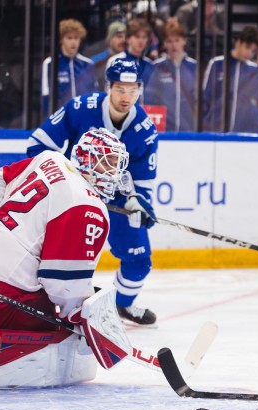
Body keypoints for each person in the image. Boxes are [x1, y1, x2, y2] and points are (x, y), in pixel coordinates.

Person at [0, 129, 127, 393]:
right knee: (61, 331)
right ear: (88, 159)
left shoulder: (49, 159)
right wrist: (79, 317)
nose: (113, 173)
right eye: (108, 163)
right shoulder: (89, 207)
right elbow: (62, 282)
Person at [26, 58, 159, 326]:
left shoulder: (144, 130)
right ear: (108, 86)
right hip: (73, 194)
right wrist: (64, 181)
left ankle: (121, 305)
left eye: (132, 90)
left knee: (139, 259)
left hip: (117, 199)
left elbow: (143, 179)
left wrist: (138, 202)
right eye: (120, 89)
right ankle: (40, 304)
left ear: (140, 90)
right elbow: (38, 145)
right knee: (55, 255)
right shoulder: (80, 108)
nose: (126, 97)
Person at [202, 25, 258, 133]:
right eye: (247, 47)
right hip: (216, 130)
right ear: (238, 43)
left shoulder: (253, 69)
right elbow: (206, 96)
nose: (249, 53)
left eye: (253, 51)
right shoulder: (217, 64)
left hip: (242, 131)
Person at [144, 17, 197, 132]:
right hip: (163, 131)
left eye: (177, 40)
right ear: (164, 44)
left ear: (184, 41)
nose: (173, 45)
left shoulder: (194, 67)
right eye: (169, 41)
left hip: (190, 133)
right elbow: (149, 99)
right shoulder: (157, 67)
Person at [41, 19, 97, 117]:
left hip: (83, 118)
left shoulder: (88, 64)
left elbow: (94, 94)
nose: (73, 42)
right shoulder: (50, 63)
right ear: (61, 39)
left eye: (76, 38)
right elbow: (46, 96)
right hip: (60, 119)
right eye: (69, 38)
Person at [107, 18, 155, 90]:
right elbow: (109, 90)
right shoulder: (115, 62)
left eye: (144, 37)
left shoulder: (150, 65)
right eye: (137, 37)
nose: (141, 41)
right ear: (128, 39)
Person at [90, 21, 127, 91]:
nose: (123, 40)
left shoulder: (130, 61)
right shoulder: (95, 62)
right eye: (119, 36)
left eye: (126, 37)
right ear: (110, 39)